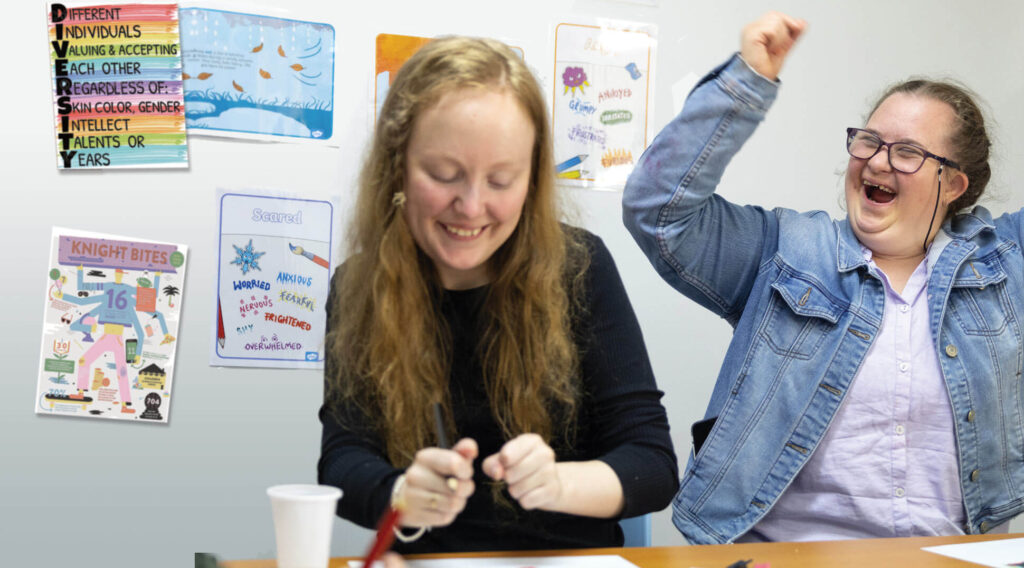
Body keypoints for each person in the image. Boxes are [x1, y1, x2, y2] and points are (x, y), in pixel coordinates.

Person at [623, 12, 1024, 544]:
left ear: (953, 184)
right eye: (868, 142)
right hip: (785, 555)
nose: (878, 162)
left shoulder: (1004, 264)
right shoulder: (785, 252)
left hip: (951, 556)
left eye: (906, 152)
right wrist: (745, 83)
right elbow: (657, 209)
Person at [319, 36, 677, 554]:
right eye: (444, 175)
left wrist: (558, 485)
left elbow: (653, 463)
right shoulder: (360, 285)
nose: (471, 207)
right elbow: (343, 459)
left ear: (531, 180)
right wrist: (402, 493)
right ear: (397, 165)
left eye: (502, 180)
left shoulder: (580, 267)